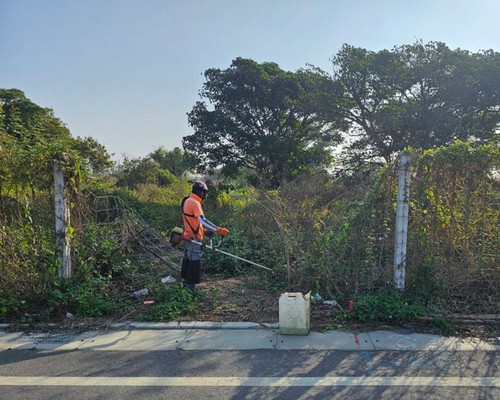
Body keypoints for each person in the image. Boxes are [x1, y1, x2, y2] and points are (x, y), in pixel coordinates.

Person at [181, 181, 230, 290]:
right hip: (193, 239)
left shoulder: (187, 200)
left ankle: (185, 285)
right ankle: (190, 289)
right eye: (203, 192)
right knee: (194, 263)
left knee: (188, 260)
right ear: (198, 191)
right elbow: (202, 220)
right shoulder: (195, 203)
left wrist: (204, 231)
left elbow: (192, 221)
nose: (204, 195)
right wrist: (218, 229)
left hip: (188, 236)